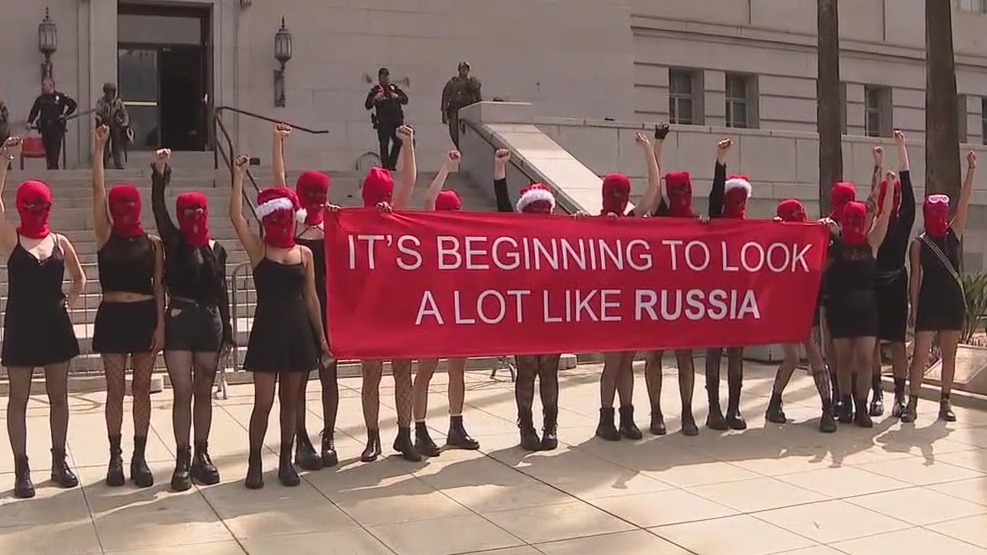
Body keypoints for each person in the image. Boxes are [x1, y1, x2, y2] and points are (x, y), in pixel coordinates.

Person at [230, 155, 330, 489]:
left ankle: (287, 460)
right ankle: (254, 460)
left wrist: (322, 340)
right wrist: (239, 177)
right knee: (263, 402)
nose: (282, 222)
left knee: (291, 401)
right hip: (268, 330)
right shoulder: (259, 251)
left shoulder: (305, 254)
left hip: (298, 331)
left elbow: (312, 298)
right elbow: (235, 218)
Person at [0, 137, 84, 498]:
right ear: (23, 206)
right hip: (20, 325)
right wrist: (5, 160)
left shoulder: (61, 242)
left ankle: (58, 460)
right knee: (18, 398)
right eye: (31, 204)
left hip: (54, 326)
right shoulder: (12, 240)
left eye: (41, 204)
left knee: (58, 397)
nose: (37, 208)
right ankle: (22, 469)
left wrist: (69, 301)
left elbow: (80, 278)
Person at [150, 148, 233, 491]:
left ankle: (202, 453)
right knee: (183, 392)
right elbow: (158, 209)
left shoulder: (217, 248)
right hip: (181, 319)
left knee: (204, 391)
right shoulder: (174, 239)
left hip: (209, 321)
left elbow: (223, 291)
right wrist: (160, 172)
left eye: (200, 209)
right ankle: (182, 457)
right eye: (190, 210)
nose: (196, 214)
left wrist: (228, 332)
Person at [91, 125, 165, 488]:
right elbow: (97, 191)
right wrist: (99, 149)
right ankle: (115, 456)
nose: (123, 209)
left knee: (142, 388)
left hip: (144, 316)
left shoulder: (152, 244)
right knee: (114, 390)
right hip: (113, 318)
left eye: (128, 203)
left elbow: (160, 286)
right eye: (118, 204)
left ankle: (139, 455)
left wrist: (161, 326)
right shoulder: (105, 236)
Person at [272, 123, 341, 469]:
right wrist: (277, 145)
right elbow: (280, 184)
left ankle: (329, 437)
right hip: (300, 308)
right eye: (312, 192)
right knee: (298, 378)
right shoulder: (292, 222)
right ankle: (300, 438)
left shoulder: (336, 221)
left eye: (320, 192)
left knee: (330, 375)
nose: (317, 197)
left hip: (329, 308)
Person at [492, 149, 564, 451]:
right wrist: (500, 166)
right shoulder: (515, 231)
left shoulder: (561, 234)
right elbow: (502, 202)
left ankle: (550, 425)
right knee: (526, 370)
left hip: (551, 311)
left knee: (548, 369)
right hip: (524, 310)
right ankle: (527, 425)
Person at [411, 149, 482, 456]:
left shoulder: (465, 242)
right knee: (426, 371)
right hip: (434, 310)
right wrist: (445, 168)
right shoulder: (431, 236)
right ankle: (420, 428)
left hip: (457, 311)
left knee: (457, 370)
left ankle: (456, 424)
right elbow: (427, 202)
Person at [357, 125, 421, 462]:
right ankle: (372, 438)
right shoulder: (352, 224)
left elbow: (408, 181)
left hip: (397, 308)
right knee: (371, 374)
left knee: (402, 373)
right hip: (371, 310)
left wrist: (408, 144)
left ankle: (404, 434)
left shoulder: (395, 215)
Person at [594, 131, 663, 442]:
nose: (620, 198)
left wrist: (649, 150)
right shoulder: (594, 225)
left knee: (627, 361)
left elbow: (654, 189)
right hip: (608, 303)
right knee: (613, 362)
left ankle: (626, 415)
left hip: (630, 303)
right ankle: (605, 417)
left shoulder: (632, 221)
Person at [902, 151, 977, 423]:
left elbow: (965, 202)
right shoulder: (919, 244)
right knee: (920, 354)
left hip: (951, 302)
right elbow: (915, 278)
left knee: (949, 354)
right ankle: (912, 403)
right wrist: (914, 306)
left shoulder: (953, 233)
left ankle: (945, 402)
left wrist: (971, 170)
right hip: (929, 303)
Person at [643, 124, 700, 437]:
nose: (680, 197)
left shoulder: (696, 221)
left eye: (684, 192)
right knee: (655, 355)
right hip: (657, 297)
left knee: (684, 356)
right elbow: (657, 181)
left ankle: (688, 412)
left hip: (684, 299)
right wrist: (657, 145)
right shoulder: (662, 212)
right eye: (676, 192)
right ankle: (655, 412)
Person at [765, 198, 838, 433]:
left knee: (815, 355)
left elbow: (831, 261)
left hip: (808, 306)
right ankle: (775, 400)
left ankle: (827, 407)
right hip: (786, 307)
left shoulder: (812, 244)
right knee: (793, 357)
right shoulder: (777, 247)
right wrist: (773, 233)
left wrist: (834, 236)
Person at [827, 175, 894, 428]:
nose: (855, 222)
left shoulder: (871, 242)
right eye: (850, 218)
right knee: (844, 359)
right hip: (841, 310)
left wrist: (888, 186)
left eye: (859, 219)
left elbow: (885, 214)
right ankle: (845, 403)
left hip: (866, 310)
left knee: (865, 359)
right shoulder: (837, 243)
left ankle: (862, 407)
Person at [703, 138, 751, 431]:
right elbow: (714, 197)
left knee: (736, 353)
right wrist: (721, 162)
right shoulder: (718, 222)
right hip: (714, 296)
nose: (739, 205)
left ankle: (733, 408)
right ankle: (713, 410)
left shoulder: (751, 229)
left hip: (739, 296)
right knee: (714, 351)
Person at [872, 131, 916, 418]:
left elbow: (908, 183)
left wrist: (901, 148)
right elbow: (873, 194)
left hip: (897, 283)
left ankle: (899, 397)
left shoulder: (906, 218)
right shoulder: (877, 220)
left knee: (898, 342)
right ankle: (877, 394)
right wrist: (878, 165)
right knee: (873, 340)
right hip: (875, 284)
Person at [364, 67, 409, 171]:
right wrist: (375, 98)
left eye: (387, 77)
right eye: (383, 77)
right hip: (383, 122)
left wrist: (396, 96)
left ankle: (391, 164)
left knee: (398, 142)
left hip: (396, 121)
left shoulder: (393, 88)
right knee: (384, 145)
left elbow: (405, 99)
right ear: (379, 78)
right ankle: (386, 166)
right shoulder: (376, 90)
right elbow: (367, 105)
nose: (385, 79)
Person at [28, 78, 77, 170]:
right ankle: (51, 168)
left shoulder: (60, 97)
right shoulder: (41, 99)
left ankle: (54, 169)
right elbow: (34, 111)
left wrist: (65, 115)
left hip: (56, 129)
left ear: (51, 86)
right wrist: (29, 122)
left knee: (54, 152)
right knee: (48, 152)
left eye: (44, 85)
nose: (42, 86)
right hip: (45, 129)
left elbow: (73, 105)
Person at [441, 61, 482, 148]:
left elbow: (478, 98)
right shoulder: (452, 83)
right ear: (459, 70)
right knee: (454, 132)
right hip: (455, 111)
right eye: (462, 69)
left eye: (466, 69)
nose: (464, 71)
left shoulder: (471, 82)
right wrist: (444, 113)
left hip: (468, 110)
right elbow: (445, 98)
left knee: (468, 133)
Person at [96, 82, 130, 170]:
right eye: (107, 92)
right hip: (105, 125)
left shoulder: (118, 102)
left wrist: (124, 124)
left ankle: (118, 163)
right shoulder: (101, 101)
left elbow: (125, 114)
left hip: (116, 126)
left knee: (116, 146)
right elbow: (98, 113)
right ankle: (104, 164)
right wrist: (99, 117)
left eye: (110, 92)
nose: (108, 94)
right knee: (105, 146)